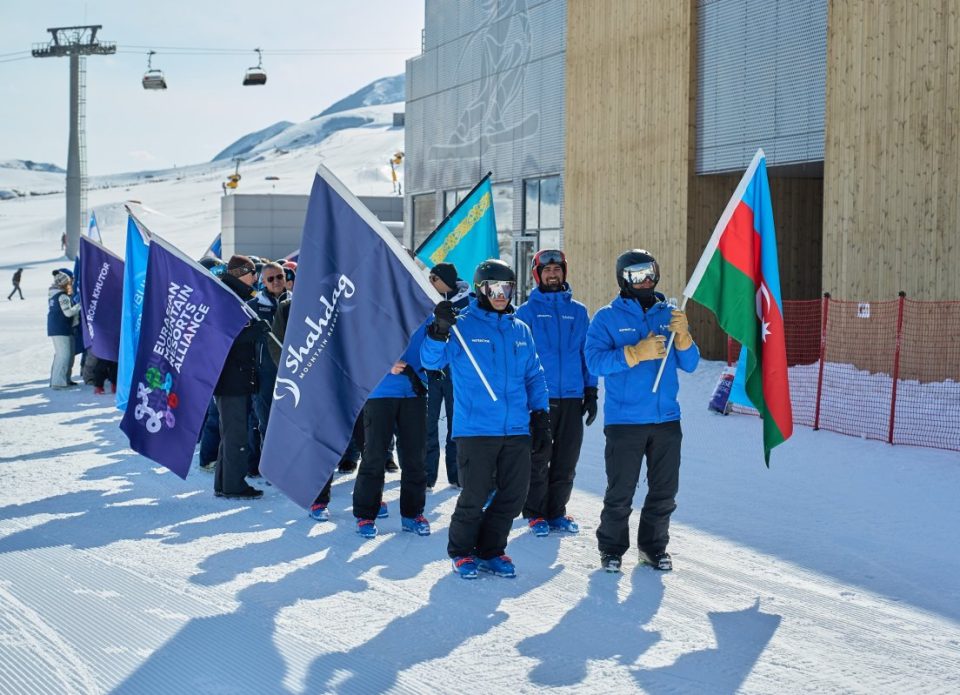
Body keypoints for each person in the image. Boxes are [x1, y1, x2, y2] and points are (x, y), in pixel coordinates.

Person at [421, 259, 551, 580]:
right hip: (477, 428)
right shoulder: (461, 326)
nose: (500, 294)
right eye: (493, 288)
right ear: (480, 289)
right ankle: (462, 551)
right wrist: (438, 330)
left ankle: (491, 550)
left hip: (516, 427)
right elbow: (430, 360)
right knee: (475, 494)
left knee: (514, 494)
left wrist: (540, 415)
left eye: (506, 288)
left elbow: (534, 375)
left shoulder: (520, 329)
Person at [584, 249, 699, 573]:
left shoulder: (670, 314)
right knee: (620, 491)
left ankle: (652, 548)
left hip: (665, 420)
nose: (646, 280)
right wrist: (633, 352)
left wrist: (685, 337)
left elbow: (691, 364)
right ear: (624, 279)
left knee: (664, 492)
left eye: (650, 272)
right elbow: (594, 361)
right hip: (626, 421)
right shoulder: (607, 318)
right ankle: (611, 549)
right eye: (637, 275)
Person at [515, 249, 598, 537]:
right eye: (547, 270)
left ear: (564, 272)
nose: (553, 274)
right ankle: (535, 512)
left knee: (566, 458)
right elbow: (520, 360)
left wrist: (591, 389)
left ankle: (556, 511)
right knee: (539, 456)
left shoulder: (578, 311)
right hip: (540, 398)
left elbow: (586, 353)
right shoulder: (525, 313)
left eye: (557, 269)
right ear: (537, 274)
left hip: (573, 396)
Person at [353, 322, 431, 538]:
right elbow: (356, 346)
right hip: (380, 391)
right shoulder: (378, 305)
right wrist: (384, 364)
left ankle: (412, 514)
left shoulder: (425, 310)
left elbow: (433, 350)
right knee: (375, 455)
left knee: (415, 457)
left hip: (414, 391)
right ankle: (365, 514)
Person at [213, 255, 270, 500]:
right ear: (238, 274)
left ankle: (224, 482)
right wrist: (253, 333)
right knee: (236, 432)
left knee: (230, 431)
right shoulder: (228, 297)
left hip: (233, 374)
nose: (255, 278)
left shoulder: (234, 295)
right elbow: (226, 338)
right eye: (251, 272)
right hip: (231, 376)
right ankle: (234, 484)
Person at [423, 262, 470, 489]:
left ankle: (457, 475)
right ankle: (427, 475)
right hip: (430, 373)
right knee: (428, 425)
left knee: (456, 426)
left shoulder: (466, 303)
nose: (430, 281)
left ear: (444, 280)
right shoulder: (427, 300)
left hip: (455, 374)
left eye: (434, 278)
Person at [246, 262, 287, 476]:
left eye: (279, 277)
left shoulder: (294, 302)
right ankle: (266, 466)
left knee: (290, 421)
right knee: (266, 421)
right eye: (270, 279)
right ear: (263, 282)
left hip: (292, 371)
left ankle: (288, 464)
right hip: (265, 372)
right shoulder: (253, 306)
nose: (276, 282)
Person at [47, 270, 80, 389]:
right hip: (61, 327)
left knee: (68, 354)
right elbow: (68, 313)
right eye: (69, 282)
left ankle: (65, 379)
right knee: (63, 355)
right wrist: (80, 305)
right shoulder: (62, 296)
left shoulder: (54, 294)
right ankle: (58, 382)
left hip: (60, 327)